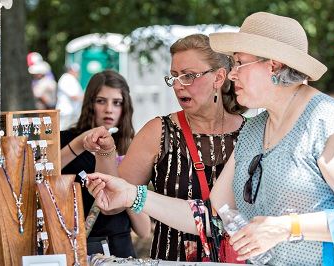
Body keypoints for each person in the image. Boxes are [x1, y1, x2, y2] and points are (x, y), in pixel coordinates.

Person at [86, 13, 334, 264]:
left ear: (274, 65)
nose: (231, 75)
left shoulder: (327, 121)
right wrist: (132, 195)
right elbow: (211, 215)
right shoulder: (255, 130)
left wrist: (285, 227)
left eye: (240, 63)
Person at [83, 34, 247, 261]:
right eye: (174, 77)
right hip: (170, 259)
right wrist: (106, 153)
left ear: (218, 78)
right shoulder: (159, 131)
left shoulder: (251, 133)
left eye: (189, 76)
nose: (178, 86)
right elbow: (113, 204)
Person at [60, 70, 151, 258]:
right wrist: (80, 143)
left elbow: (143, 230)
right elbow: (45, 171)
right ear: (90, 103)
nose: (109, 109)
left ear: (125, 107)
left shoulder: (133, 148)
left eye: (117, 102)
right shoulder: (67, 140)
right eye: (101, 101)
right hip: (81, 247)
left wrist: (123, 185)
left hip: (121, 248)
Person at [57, 63, 84, 130]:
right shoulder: (66, 78)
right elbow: (74, 96)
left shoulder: (72, 79)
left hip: (71, 113)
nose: (77, 73)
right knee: (62, 132)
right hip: (66, 112)